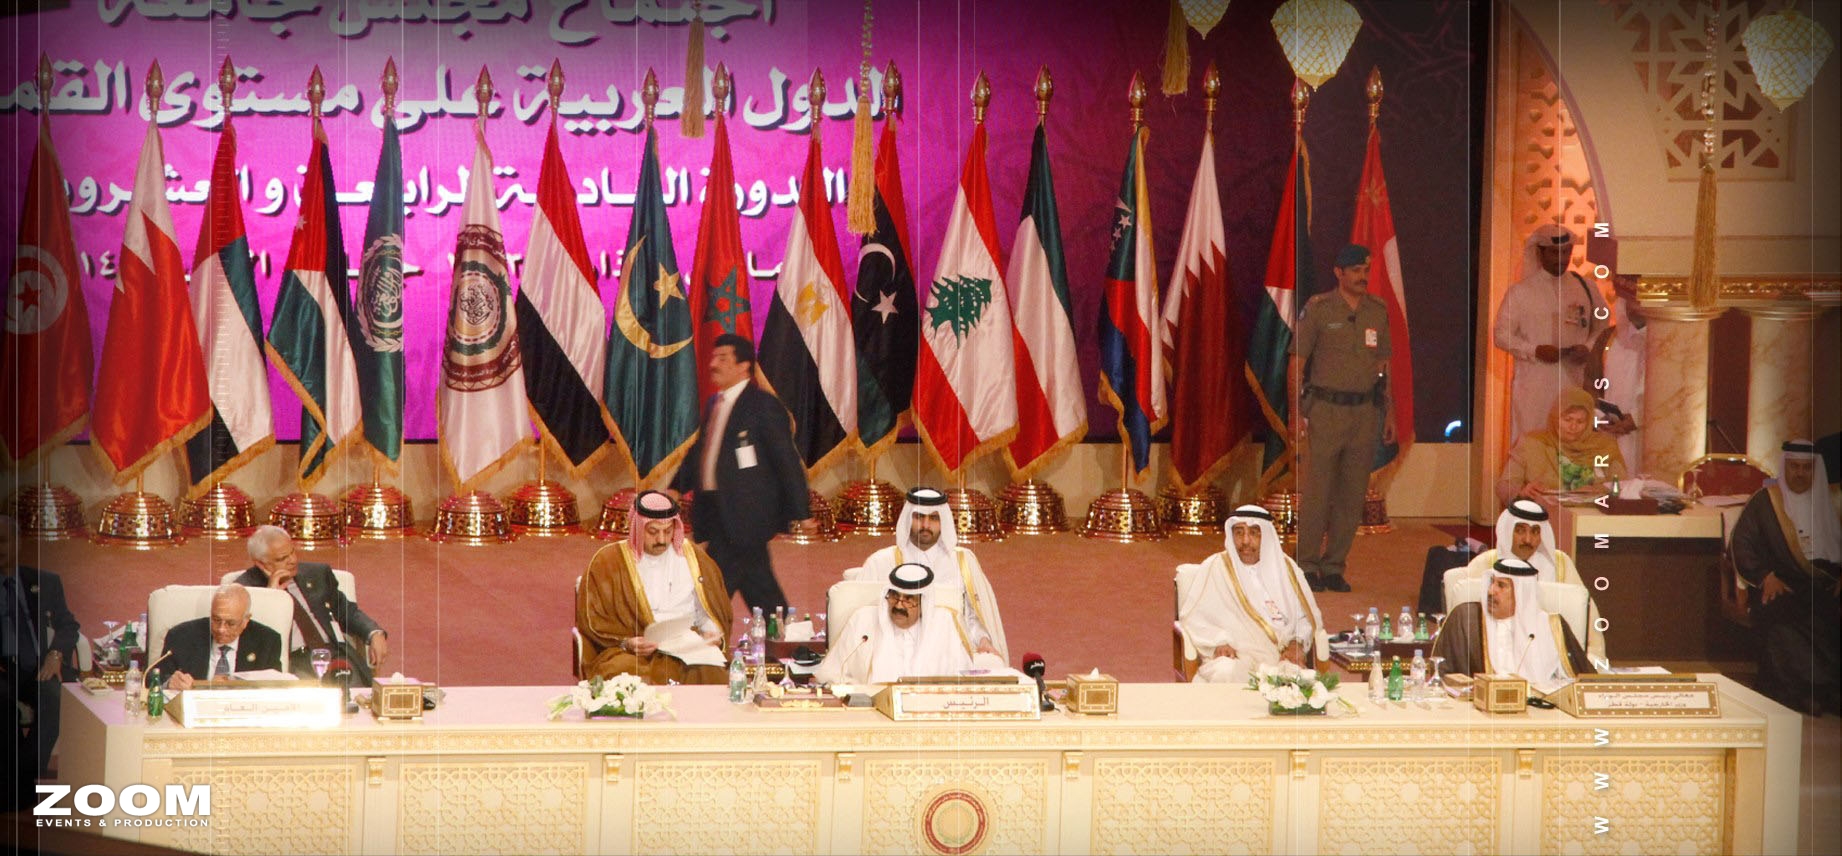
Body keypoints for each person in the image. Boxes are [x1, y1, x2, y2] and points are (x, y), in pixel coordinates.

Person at [671, 333, 812, 612]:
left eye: (723, 358)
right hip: (715, 509)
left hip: (746, 513)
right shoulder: (715, 403)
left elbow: (786, 460)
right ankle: (778, 629)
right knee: (757, 582)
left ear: (744, 365)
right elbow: (701, 451)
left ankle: (701, 629)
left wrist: (802, 511)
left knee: (716, 584)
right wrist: (676, 486)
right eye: (714, 357)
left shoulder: (763, 405)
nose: (713, 364)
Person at [1290, 243, 1394, 592]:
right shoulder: (1319, 309)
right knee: (1318, 493)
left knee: (1352, 494)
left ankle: (1334, 566)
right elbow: (1297, 364)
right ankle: (1307, 564)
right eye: (1356, 271)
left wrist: (1390, 412)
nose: (1363, 277)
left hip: (1364, 412)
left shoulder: (1377, 311)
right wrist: (1295, 413)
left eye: (1366, 271)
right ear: (1339, 273)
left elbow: (1383, 365)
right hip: (1326, 411)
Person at [1729, 440, 1840, 714]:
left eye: (1806, 468)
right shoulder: (1765, 501)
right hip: (1779, 581)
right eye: (1794, 467)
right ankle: (1792, 693)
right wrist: (1764, 577)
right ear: (1785, 467)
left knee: (1824, 617)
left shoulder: (1833, 502)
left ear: (1816, 471)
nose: (1800, 473)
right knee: (1781, 618)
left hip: (1823, 584)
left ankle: (1822, 691)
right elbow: (1742, 543)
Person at [577, 491, 732, 685]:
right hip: (635, 651)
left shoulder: (694, 558)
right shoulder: (608, 562)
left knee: (714, 674)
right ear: (638, 527)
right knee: (621, 675)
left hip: (687, 648)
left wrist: (711, 632)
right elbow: (594, 621)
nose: (661, 539)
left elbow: (708, 610)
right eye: (653, 532)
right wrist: (627, 643)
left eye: (668, 531)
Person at [847, 487, 1006, 660]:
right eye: (919, 517)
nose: (925, 525)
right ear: (908, 519)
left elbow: (971, 617)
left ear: (943, 521)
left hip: (951, 654)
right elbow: (864, 620)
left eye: (934, 518)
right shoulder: (881, 562)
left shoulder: (963, 561)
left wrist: (982, 640)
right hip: (899, 655)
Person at [1176, 505, 1324, 684]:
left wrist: (1297, 642)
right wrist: (1218, 642)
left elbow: (1306, 618)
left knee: (1297, 679)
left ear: (1266, 536)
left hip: (1281, 657)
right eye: (1239, 533)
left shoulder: (1287, 569)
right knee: (1224, 672)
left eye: (1254, 533)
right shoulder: (1216, 567)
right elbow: (1194, 617)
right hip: (1236, 658)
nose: (1245, 541)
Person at [1448, 499, 1605, 665]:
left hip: (1547, 657)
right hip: (1496, 655)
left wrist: (1594, 658)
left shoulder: (1560, 564)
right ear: (1508, 530)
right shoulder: (1486, 563)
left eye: (1535, 532)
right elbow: (1466, 625)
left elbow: (1588, 620)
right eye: (1520, 531)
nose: (1528, 539)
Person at [1494, 223, 1610, 440]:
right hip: (1534, 386)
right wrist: (1534, 350)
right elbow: (1501, 335)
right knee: (1534, 443)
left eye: (1566, 252)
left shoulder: (1586, 287)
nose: (1562, 258)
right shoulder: (1520, 292)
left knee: (1572, 443)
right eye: (1555, 253)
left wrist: (1587, 348)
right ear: (1540, 253)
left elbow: (1603, 325)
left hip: (1575, 381)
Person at [233, 525, 389, 685]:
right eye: (282, 559)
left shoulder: (317, 574)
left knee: (352, 693)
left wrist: (374, 633)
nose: (293, 560)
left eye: (292, 552)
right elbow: (249, 635)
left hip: (334, 654)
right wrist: (272, 598)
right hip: (294, 661)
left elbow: (347, 611)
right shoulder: (246, 590)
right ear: (261, 564)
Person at [815, 563, 998, 685]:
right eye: (894, 596)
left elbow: (963, 682)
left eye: (909, 599)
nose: (899, 605)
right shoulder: (863, 621)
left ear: (924, 603)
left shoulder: (945, 625)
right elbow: (829, 675)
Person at [1431, 558, 1593, 696]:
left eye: (1501, 585)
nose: (1491, 591)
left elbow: (1583, 682)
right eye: (1491, 582)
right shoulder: (1466, 619)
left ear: (1523, 594)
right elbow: (1441, 676)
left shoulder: (1552, 626)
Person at [2, 514, 79, 793]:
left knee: (54, 699)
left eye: (3, 541)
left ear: (18, 543)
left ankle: (21, 781)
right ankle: (17, 784)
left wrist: (56, 653)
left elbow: (68, 625)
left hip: (39, 666)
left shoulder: (44, 581)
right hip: (3, 668)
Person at [1496, 387, 1628, 507]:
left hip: (1593, 517)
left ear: (1589, 422)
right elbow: (1504, 486)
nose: (1573, 427)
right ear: (1555, 418)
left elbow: (1621, 485)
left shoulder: (1604, 445)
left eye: (1580, 421)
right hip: (1545, 516)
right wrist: (1522, 492)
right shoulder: (1532, 443)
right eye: (1567, 419)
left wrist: (1599, 490)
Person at [162, 583, 285, 691]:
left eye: (230, 623)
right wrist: (169, 683)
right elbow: (156, 678)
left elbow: (276, 689)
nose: (221, 629)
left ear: (246, 620)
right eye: (216, 620)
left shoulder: (267, 641)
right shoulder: (181, 636)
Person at [1595, 273, 1646, 470]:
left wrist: (1635, 418)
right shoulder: (1608, 338)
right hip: (1610, 428)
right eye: (1630, 301)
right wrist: (1599, 416)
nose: (1635, 307)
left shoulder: (1665, 341)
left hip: (1648, 432)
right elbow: (1592, 381)